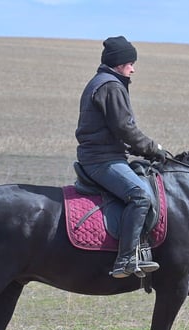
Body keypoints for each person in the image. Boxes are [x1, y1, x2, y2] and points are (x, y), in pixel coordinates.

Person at [75, 36, 168, 278]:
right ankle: (125, 259)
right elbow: (125, 128)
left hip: (106, 155)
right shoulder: (111, 86)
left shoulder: (105, 82)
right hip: (101, 160)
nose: (133, 69)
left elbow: (115, 130)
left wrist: (137, 149)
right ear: (118, 64)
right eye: (130, 64)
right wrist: (153, 148)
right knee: (140, 196)